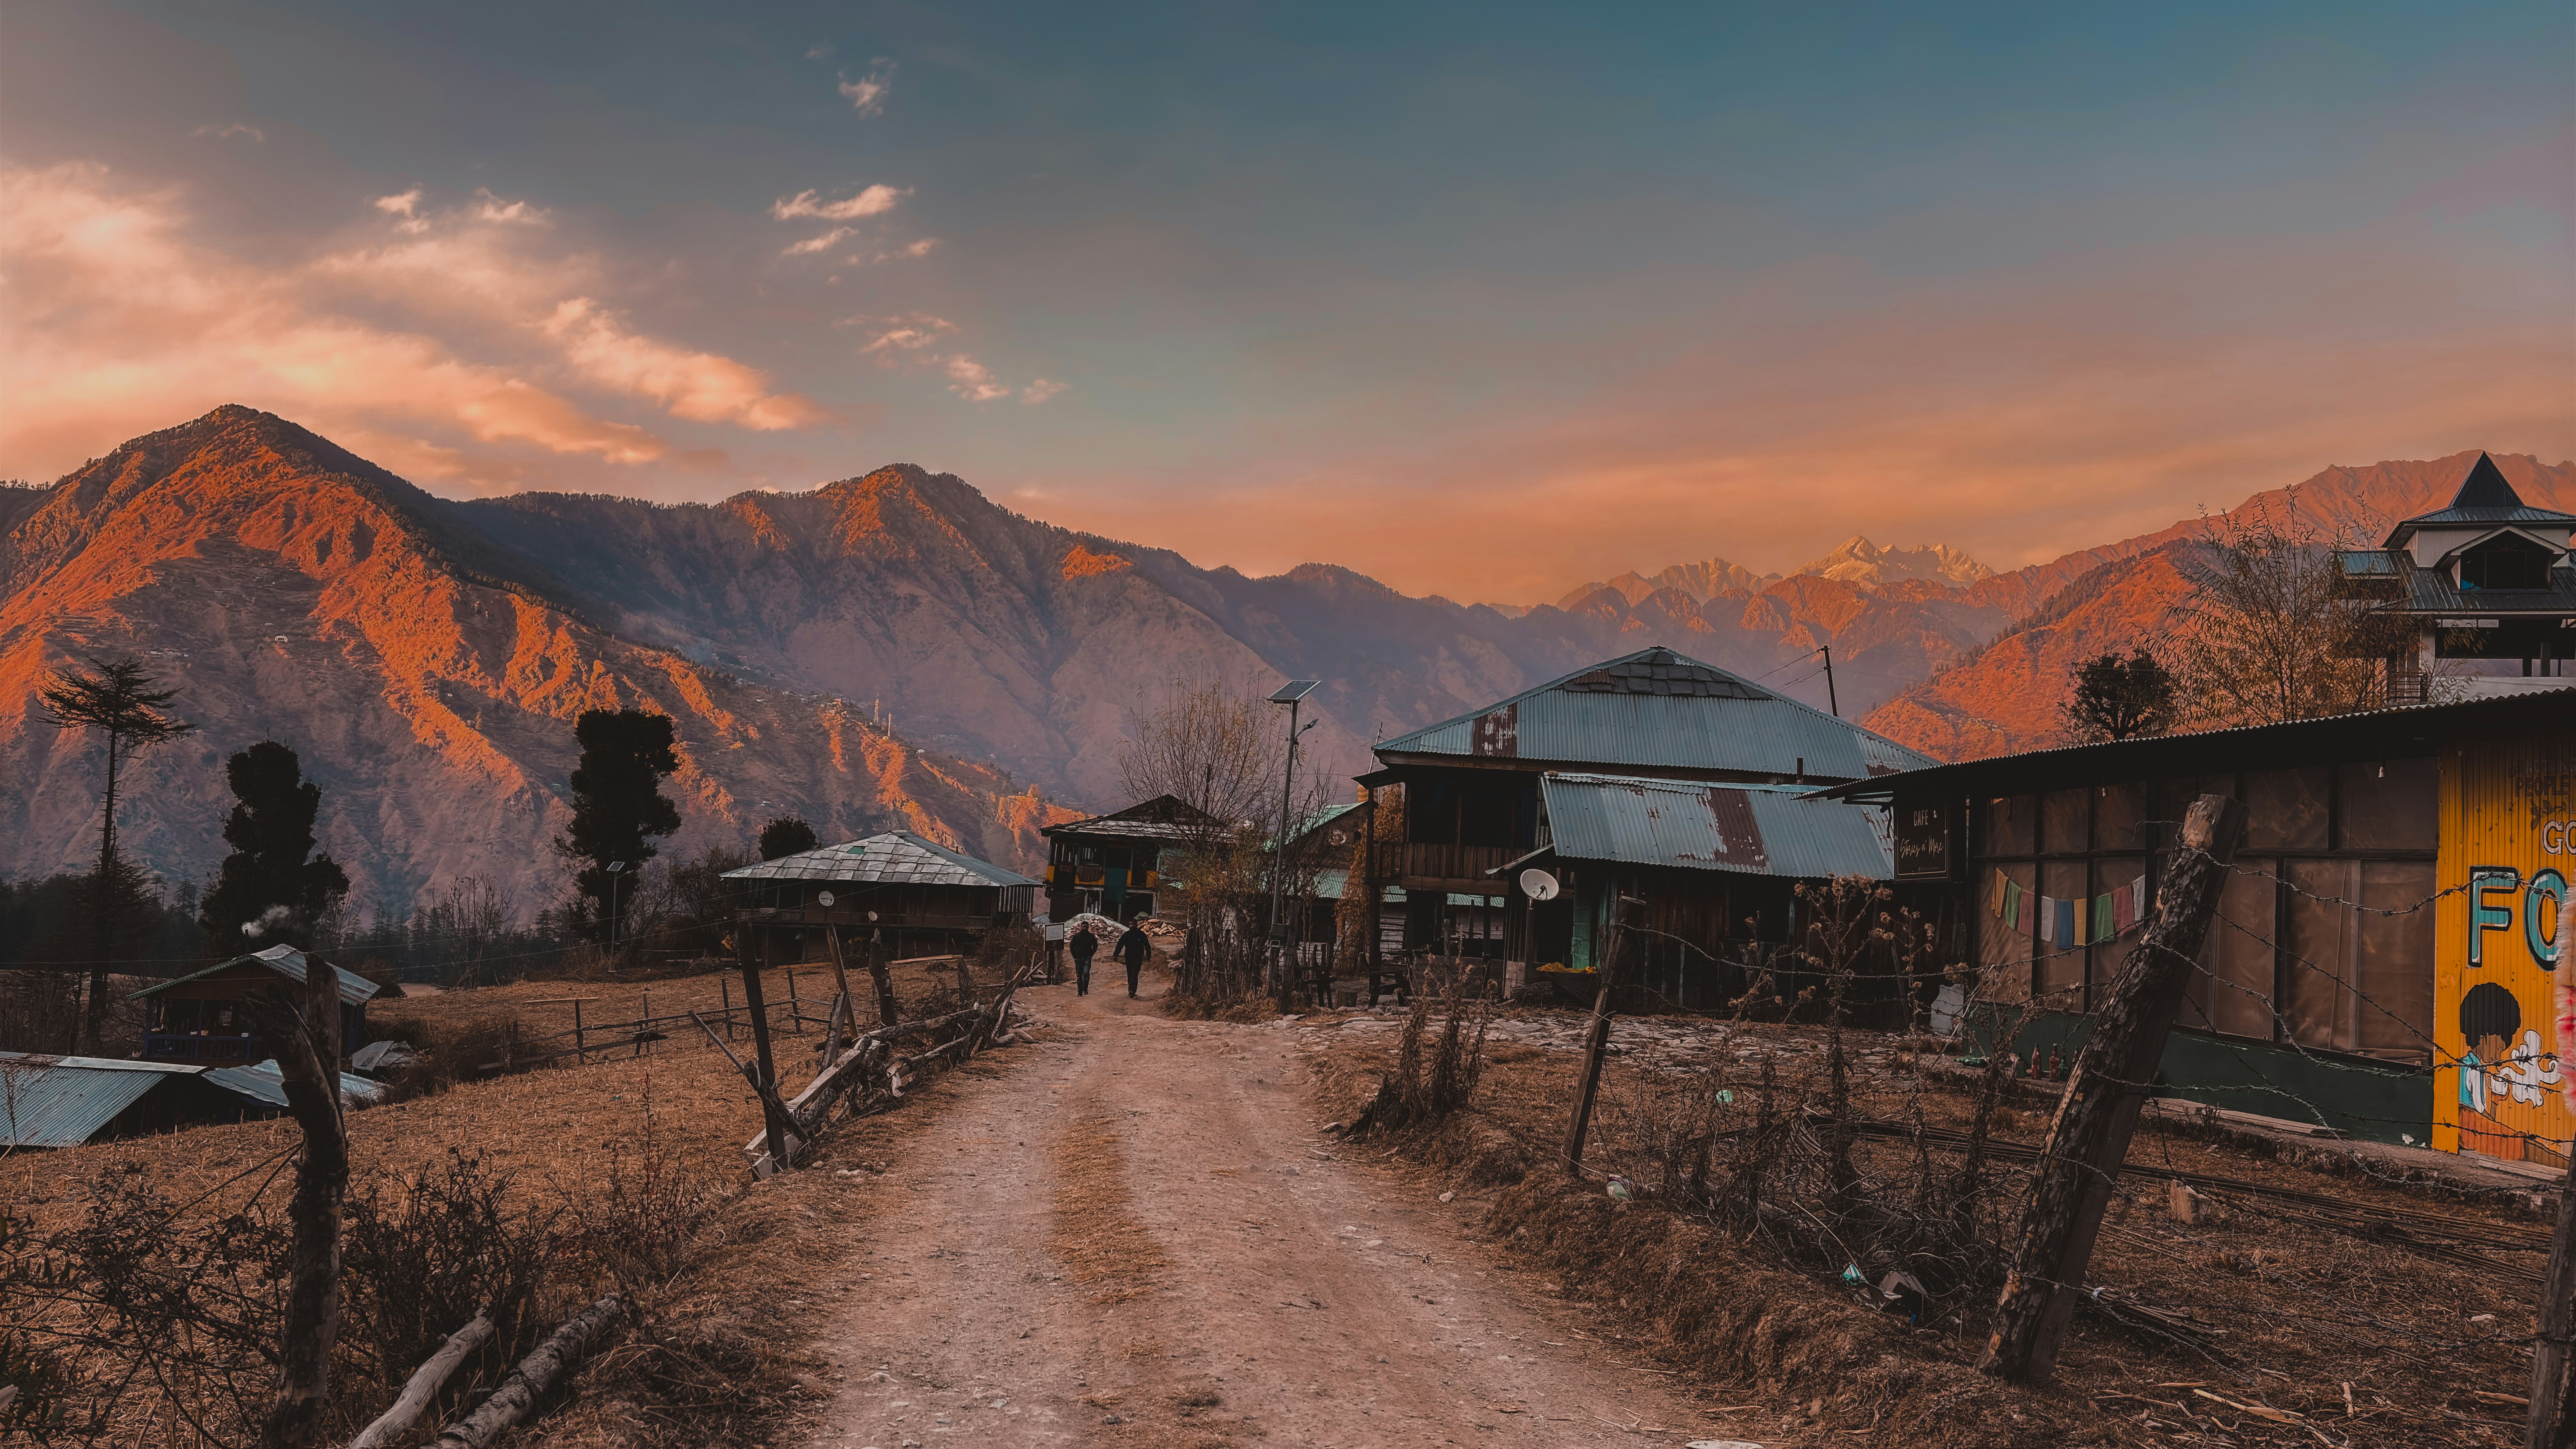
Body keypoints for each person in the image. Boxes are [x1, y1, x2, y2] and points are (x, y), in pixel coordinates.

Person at [1117, 920, 1151, 998]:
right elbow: (1120, 945)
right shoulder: (1126, 935)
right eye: (1131, 924)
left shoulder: (1141, 935)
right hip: (1129, 958)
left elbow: (1147, 945)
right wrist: (1116, 954)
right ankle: (1131, 990)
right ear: (1129, 925)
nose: (1132, 926)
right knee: (1130, 975)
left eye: (1134, 924)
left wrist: (1149, 954)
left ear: (1137, 925)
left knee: (1135, 975)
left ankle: (1133, 991)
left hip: (1138, 958)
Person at [1068, 923, 1098, 996]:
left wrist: (1091, 954)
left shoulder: (1091, 936)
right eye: (1083, 927)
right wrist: (1074, 956)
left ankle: (1085, 989)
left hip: (1087, 958)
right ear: (1081, 927)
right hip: (1078, 959)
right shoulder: (1076, 937)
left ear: (1088, 928)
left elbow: (1095, 946)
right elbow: (1072, 946)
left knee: (1086, 973)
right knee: (1079, 975)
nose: (1085, 928)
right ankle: (1080, 992)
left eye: (1086, 927)